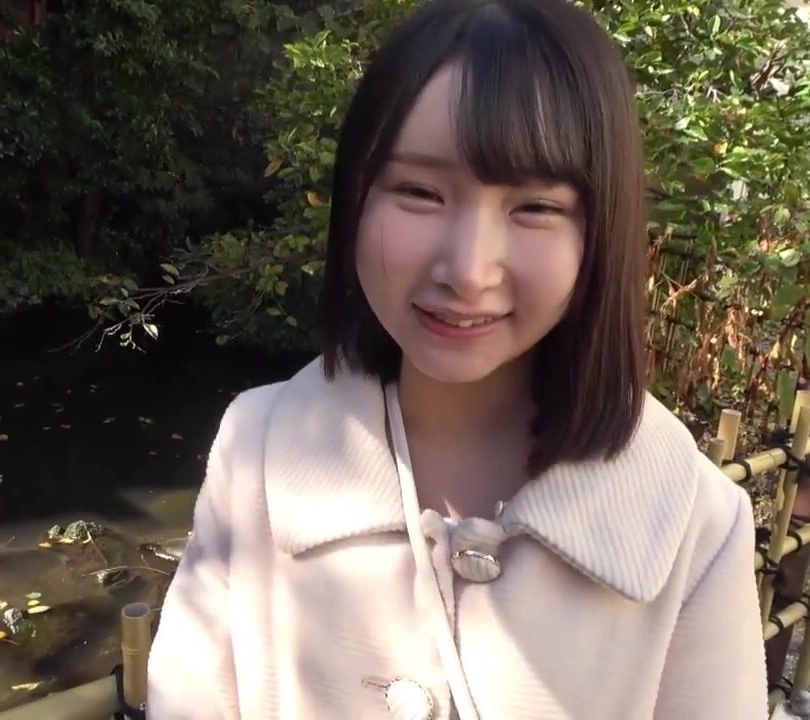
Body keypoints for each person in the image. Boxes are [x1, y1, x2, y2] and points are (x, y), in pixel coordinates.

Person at [146, 0, 769, 718]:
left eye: (535, 207)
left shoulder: (694, 524)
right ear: (355, 200)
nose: (469, 271)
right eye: (420, 192)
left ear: (600, 231)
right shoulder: (255, 453)